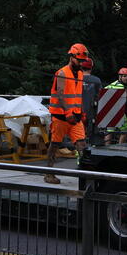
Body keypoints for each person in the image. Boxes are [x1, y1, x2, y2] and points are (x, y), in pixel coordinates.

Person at [43, 43, 88, 185]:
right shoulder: (62, 73)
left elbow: (78, 94)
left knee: (82, 144)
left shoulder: (80, 73)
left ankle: (85, 174)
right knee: (55, 144)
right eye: (79, 60)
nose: (81, 63)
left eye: (82, 61)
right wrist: (68, 112)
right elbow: (61, 95)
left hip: (75, 117)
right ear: (71, 57)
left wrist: (81, 111)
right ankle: (49, 173)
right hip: (61, 116)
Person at [103, 67, 127, 145]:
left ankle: (106, 149)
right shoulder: (119, 85)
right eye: (124, 76)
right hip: (118, 111)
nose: (126, 78)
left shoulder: (113, 84)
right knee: (125, 131)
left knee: (109, 132)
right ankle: (120, 147)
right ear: (120, 76)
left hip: (109, 111)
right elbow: (124, 95)